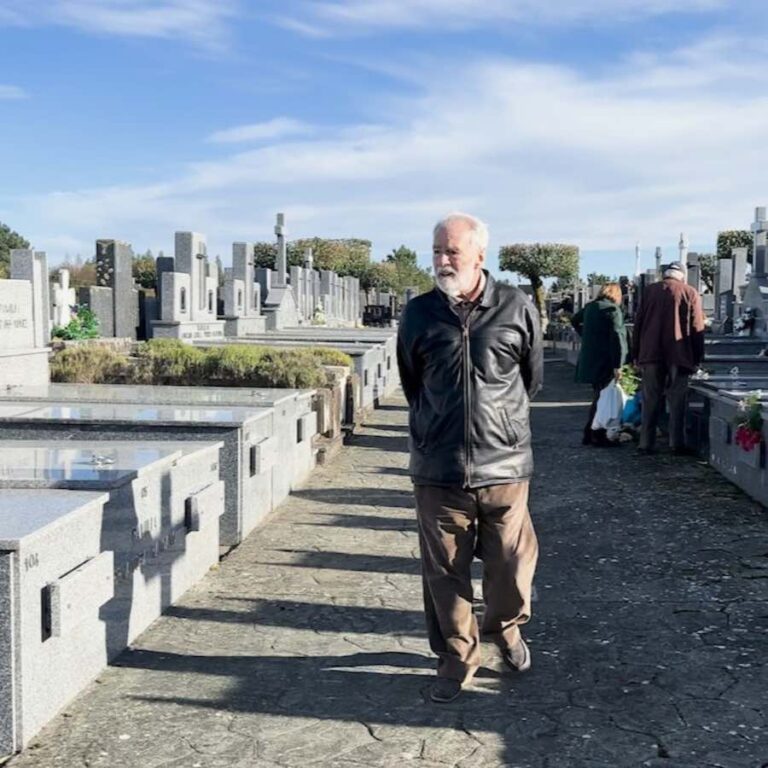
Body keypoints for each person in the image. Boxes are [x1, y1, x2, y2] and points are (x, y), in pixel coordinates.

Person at [396, 212, 543, 703]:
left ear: (480, 254)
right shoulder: (418, 313)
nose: (441, 261)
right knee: (444, 572)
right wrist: (435, 432)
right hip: (438, 468)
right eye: (436, 251)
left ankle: (504, 626)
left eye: (452, 252)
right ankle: (457, 656)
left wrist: (499, 425)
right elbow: (412, 383)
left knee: (509, 562)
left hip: (503, 465)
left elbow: (531, 379)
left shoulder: (516, 306)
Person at [632, 261, 705, 455]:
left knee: (650, 398)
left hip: (650, 352)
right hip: (679, 353)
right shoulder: (689, 292)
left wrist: (636, 353)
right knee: (677, 399)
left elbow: (638, 323)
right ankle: (676, 442)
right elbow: (697, 327)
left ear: (665, 275)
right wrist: (697, 357)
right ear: (681, 275)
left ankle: (646, 443)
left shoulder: (649, 291)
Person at [571, 283, 628, 446]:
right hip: (606, 359)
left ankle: (590, 433)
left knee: (599, 396)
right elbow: (618, 337)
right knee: (603, 397)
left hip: (591, 358)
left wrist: (586, 335)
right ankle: (596, 433)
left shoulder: (591, 307)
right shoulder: (612, 310)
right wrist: (619, 364)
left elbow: (575, 320)